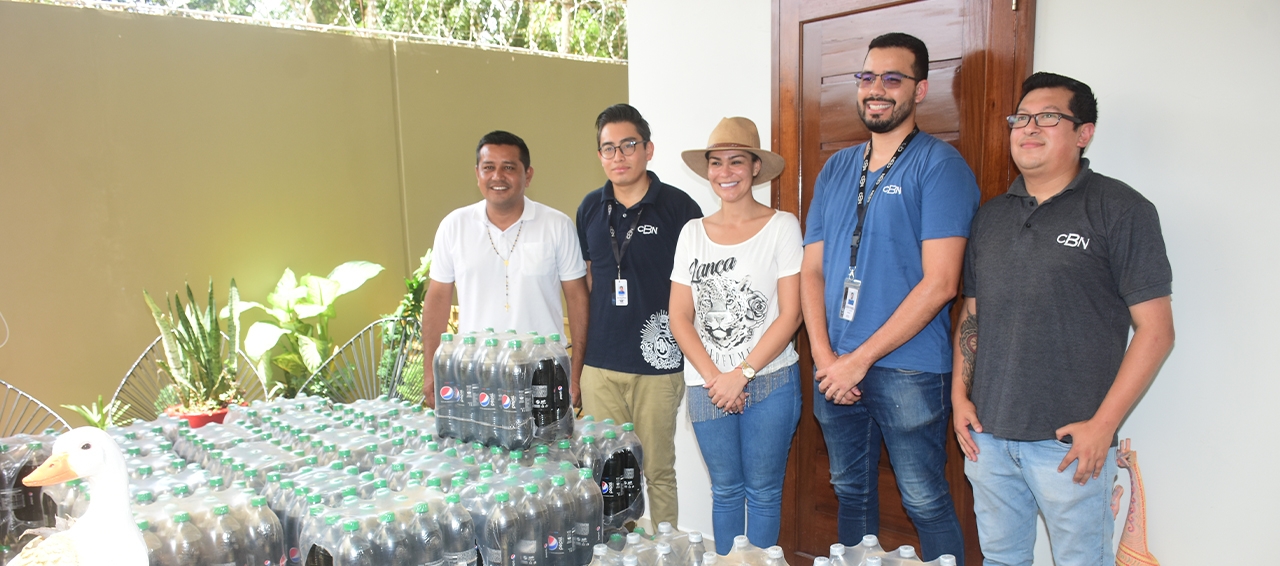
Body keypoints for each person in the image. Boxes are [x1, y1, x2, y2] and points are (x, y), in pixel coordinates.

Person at [953, 72, 1174, 566]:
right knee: (1001, 560)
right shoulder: (991, 216)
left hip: (1069, 446)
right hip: (988, 438)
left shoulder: (1121, 209)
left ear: (1084, 132)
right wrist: (959, 396)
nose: (1030, 128)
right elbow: (974, 315)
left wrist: (1104, 424)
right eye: (1022, 118)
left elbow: (1157, 332)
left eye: (1048, 117)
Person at [799, 32, 977, 562]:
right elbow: (812, 272)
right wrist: (828, 358)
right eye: (867, 77)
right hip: (835, 366)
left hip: (908, 369)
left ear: (919, 91)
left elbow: (942, 283)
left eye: (892, 79)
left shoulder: (940, 166)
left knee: (924, 500)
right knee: (849, 490)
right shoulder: (835, 169)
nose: (877, 89)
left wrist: (858, 361)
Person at [668, 117, 802, 554]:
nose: (726, 172)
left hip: (771, 381)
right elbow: (679, 316)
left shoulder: (782, 226)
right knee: (725, 492)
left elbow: (790, 314)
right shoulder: (692, 233)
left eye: (737, 162)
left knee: (763, 493)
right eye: (716, 163)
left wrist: (740, 374)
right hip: (707, 385)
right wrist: (716, 379)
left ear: (756, 168)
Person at [575, 104, 702, 527]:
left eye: (628, 145)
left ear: (648, 149)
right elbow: (589, 281)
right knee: (607, 473)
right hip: (600, 365)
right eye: (608, 148)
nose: (618, 156)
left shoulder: (679, 208)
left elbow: (696, 288)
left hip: (659, 363)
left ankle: (665, 550)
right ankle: (617, 548)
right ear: (599, 156)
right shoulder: (591, 209)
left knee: (658, 470)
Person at [421, 130, 590, 403]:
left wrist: (576, 374)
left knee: (547, 447)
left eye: (509, 167)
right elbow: (437, 299)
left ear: (528, 174)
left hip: (544, 374)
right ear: (477, 174)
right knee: (476, 446)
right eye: (488, 167)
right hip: (475, 375)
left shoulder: (557, 225)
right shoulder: (454, 226)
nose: (497, 176)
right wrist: (431, 372)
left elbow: (578, 299)